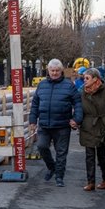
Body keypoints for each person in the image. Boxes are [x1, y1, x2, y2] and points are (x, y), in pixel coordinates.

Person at [27, 58, 81, 187]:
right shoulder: (42, 85)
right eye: (52, 70)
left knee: (61, 152)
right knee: (41, 146)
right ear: (48, 70)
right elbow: (35, 104)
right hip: (45, 125)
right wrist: (32, 120)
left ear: (61, 71)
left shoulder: (69, 85)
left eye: (57, 71)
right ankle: (52, 167)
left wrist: (76, 119)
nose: (55, 73)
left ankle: (59, 177)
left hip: (62, 126)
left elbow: (78, 103)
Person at [78, 66, 105, 191]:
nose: (84, 80)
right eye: (84, 78)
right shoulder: (83, 92)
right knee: (89, 155)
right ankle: (90, 182)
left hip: (102, 125)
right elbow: (79, 109)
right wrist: (77, 121)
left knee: (101, 154)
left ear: (95, 79)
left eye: (87, 78)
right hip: (87, 126)